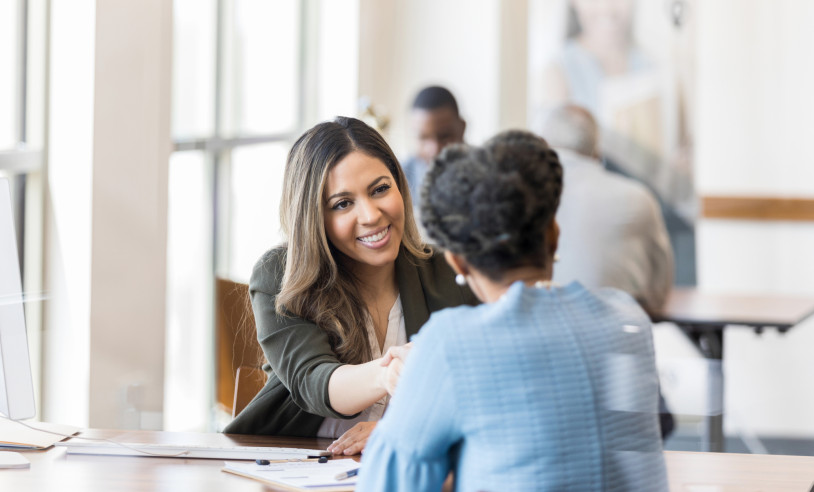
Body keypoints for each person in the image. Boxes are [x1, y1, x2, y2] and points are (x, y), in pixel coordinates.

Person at [357, 131, 668, 491]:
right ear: (554, 234)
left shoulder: (451, 343)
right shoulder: (626, 318)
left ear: (457, 262)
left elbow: (390, 484)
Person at [223, 117, 477, 456]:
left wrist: (402, 427)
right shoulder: (279, 275)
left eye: (380, 189)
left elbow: (486, 390)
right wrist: (389, 373)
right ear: (314, 217)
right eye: (343, 204)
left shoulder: (449, 271)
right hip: (294, 472)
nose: (371, 215)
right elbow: (314, 381)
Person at [541, 104, 673, 314]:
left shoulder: (525, 196)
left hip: (541, 327)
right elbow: (658, 292)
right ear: (597, 149)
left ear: (544, 145)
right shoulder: (638, 197)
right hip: (622, 333)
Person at [401, 86, 466, 202]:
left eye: (444, 136)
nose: (434, 149)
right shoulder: (400, 178)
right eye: (423, 138)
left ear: (462, 128)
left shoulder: (486, 173)